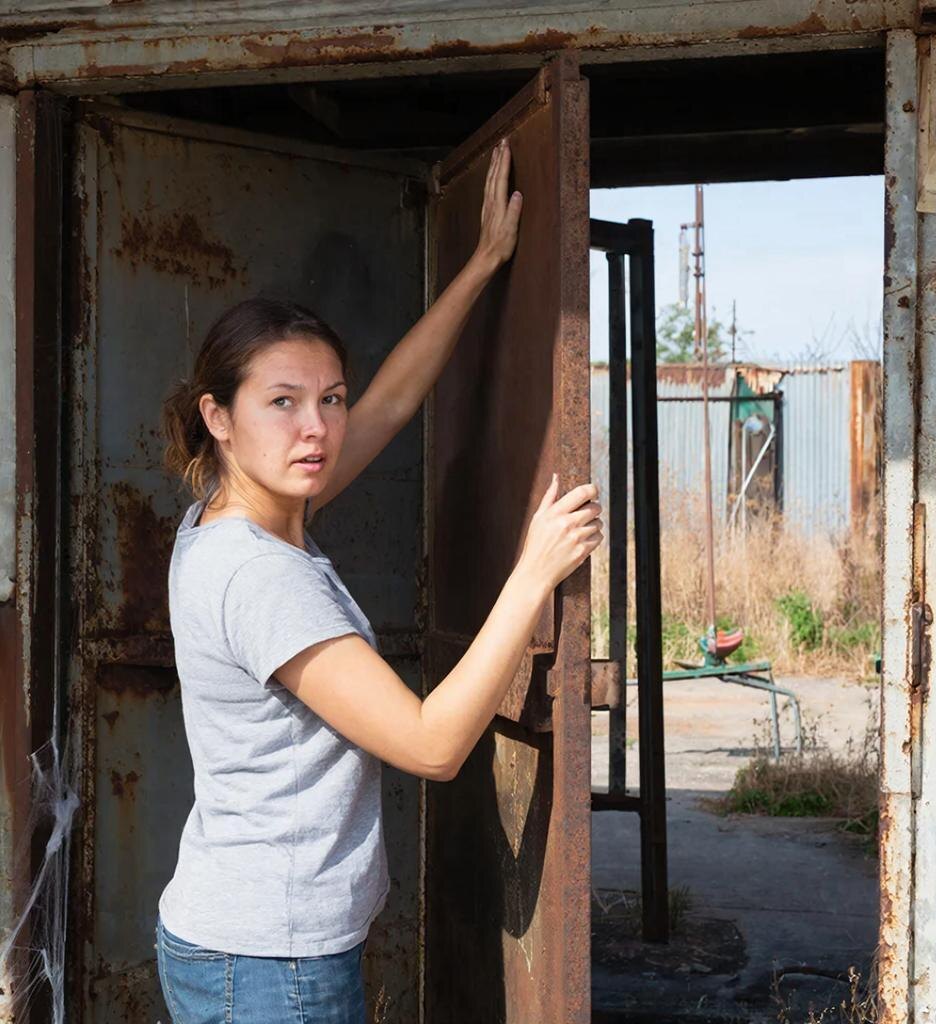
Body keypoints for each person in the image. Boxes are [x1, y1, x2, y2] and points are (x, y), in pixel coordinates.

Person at [153, 137, 602, 1024]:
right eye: (282, 401)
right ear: (219, 416)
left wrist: (484, 264)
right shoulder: (261, 576)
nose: (316, 427)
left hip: (239, 942)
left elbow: (390, 402)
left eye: (329, 397)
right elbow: (432, 745)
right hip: (271, 962)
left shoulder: (233, 512)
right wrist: (534, 571)